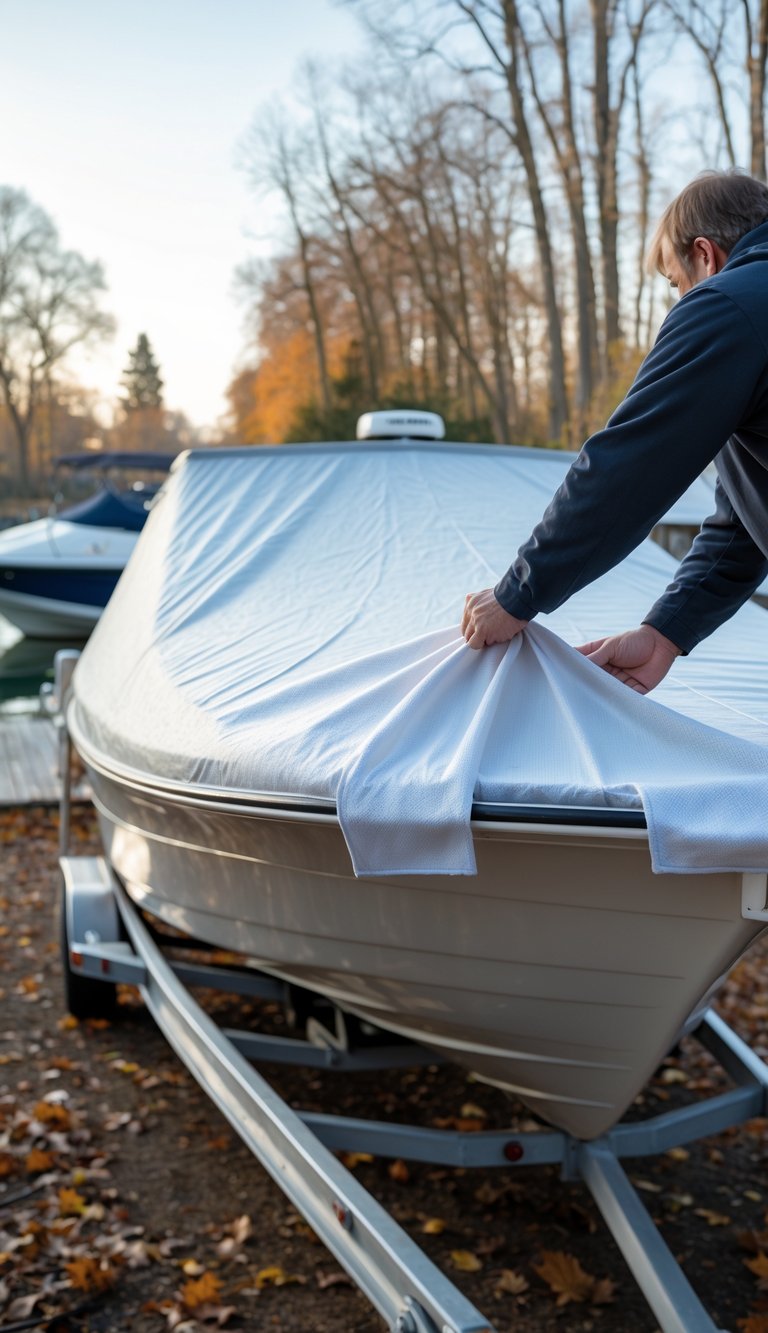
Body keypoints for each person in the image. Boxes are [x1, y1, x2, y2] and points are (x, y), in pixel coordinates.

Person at [461, 169, 768, 694]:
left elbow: (629, 465)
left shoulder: (728, 304)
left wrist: (518, 592)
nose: (682, 299)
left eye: (677, 283)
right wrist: (665, 633)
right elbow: (746, 521)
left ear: (706, 255)